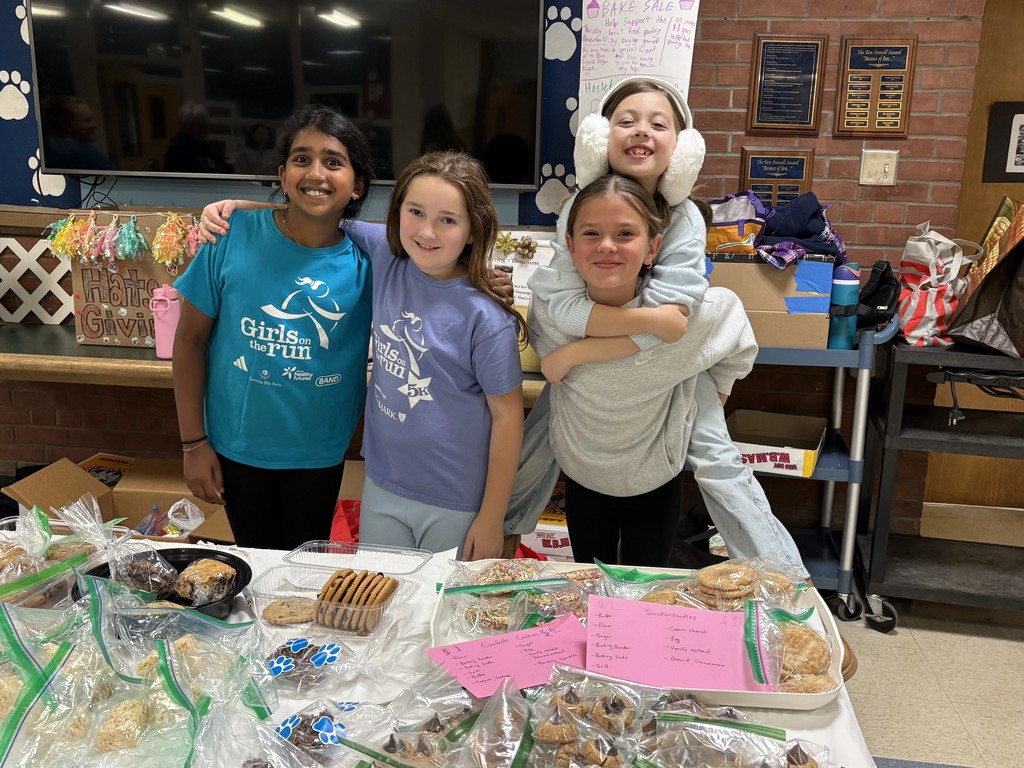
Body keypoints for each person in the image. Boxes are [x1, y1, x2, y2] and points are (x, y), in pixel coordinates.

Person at [507, 75, 807, 574]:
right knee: (543, 436)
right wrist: (655, 327)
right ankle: (502, 533)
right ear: (601, 139)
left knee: (716, 460)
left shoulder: (685, 217)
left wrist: (578, 351)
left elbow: (680, 317)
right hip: (640, 349)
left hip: (663, 365)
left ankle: (785, 581)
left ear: (683, 150)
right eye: (626, 121)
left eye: (657, 123)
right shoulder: (573, 212)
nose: (640, 131)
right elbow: (559, 305)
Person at [196, 152, 527, 560]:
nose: (427, 231)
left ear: (474, 230)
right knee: (383, 611)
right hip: (383, 487)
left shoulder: (485, 316)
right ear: (397, 213)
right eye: (416, 212)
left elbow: (509, 417)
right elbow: (318, 213)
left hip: (455, 501)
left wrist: (492, 518)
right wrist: (235, 208)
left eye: (448, 220)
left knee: (438, 616)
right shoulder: (387, 257)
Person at [172, 104, 374, 550]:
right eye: (302, 159)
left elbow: (433, 262)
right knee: (257, 566)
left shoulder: (370, 261)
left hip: (319, 451)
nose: (315, 173)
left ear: (357, 183)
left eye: (333, 161)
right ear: (282, 175)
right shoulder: (230, 235)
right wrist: (193, 443)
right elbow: (189, 340)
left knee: (304, 569)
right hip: (236, 445)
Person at [532, 174, 757, 566]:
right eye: (591, 233)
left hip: (657, 478)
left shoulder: (687, 319)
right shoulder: (549, 317)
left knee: (648, 592)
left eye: (624, 233)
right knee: (592, 586)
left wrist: (715, 395)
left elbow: (736, 330)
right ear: (568, 246)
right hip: (583, 476)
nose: (606, 246)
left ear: (653, 247)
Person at [42, 95, 117, 171]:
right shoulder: (78, 154)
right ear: (66, 125)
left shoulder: (49, 153)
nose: (95, 126)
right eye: (88, 120)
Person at [164, 101, 232, 173]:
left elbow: (226, 169)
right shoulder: (177, 150)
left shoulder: (205, 147)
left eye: (206, 125)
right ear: (185, 126)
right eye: (199, 126)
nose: (204, 130)